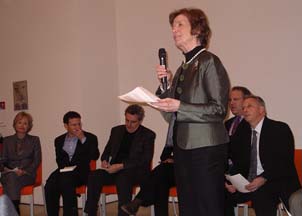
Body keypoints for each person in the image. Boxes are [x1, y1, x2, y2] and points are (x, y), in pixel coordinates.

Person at [152, 8, 230, 216]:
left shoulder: (208, 62)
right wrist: (163, 89)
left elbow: (219, 109)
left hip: (206, 148)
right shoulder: (182, 69)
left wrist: (179, 106)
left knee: (208, 208)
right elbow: (171, 116)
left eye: (180, 25)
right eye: (172, 26)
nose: (174, 30)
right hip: (183, 148)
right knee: (188, 208)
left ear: (196, 30)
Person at [225, 95, 301, 216]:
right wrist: (232, 182)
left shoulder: (279, 129)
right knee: (220, 194)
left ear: (261, 110)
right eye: (243, 107)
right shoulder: (242, 132)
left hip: (275, 180)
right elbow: (236, 159)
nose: (245, 110)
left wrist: (263, 178)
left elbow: (284, 161)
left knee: (261, 196)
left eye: (249, 106)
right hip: (248, 183)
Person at [84, 104, 155, 216]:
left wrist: (121, 166)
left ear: (140, 121)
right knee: (94, 176)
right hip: (114, 169)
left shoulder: (148, 135)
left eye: (133, 122)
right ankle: (91, 212)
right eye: (127, 120)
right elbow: (107, 151)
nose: (129, 124)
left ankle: (123, 214)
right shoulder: (116, 130)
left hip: (136, 172)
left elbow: (145, 160)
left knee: (123, 178)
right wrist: (104, 160)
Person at [45, 111, 100, 216]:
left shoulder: (90, 137)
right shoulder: (59, 140)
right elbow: (59, 159)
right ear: (66, 126)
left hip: (81, 172)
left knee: (66, 181)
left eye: (79, 124)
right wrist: (66, 167)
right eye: (73, 125)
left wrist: (82, 139)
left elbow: (95, 156)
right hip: (64, 170)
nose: (77, 127)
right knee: (50, 184)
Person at [0, 111, 41, 214]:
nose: (22, 125)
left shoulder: (34, 140)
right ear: (15, 124)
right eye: (19, 122)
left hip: (27, 175)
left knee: (11, 181)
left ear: (29, 126)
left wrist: (24, 171)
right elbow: (3, 160)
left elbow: (37, 160)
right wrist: (8, 169)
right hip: (9, 173)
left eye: (25, 123)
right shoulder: (6, 140)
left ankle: (13, 211)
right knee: (12, 177)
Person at [121, 145, 175, 216]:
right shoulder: (172, 137)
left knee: (160, 172)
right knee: (161, 177)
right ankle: (138, 202)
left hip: (188, 173)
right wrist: (169, 158)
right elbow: (163, 156)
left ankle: (137, 202)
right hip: (170, 172)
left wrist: (175, 160)